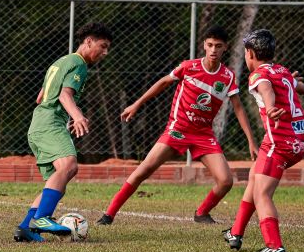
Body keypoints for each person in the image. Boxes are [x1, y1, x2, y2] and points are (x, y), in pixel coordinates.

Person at [97, 26, 258, 226]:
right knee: (143, 170)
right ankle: (109, 214)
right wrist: (136, 104)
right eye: (210, 45)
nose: (213, 50)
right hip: (178, 130)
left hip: (202, 135)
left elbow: (239, 108)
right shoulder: (189, 67)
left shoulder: (228, 76)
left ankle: (201, 213)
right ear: (204, 46)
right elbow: (163, 82)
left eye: (218, 46)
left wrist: (251, 141)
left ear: (225, 48)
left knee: (226, 181)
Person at [14, 22, 113, 242]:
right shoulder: (79, 64)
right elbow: (64, 95)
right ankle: (42, 218)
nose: (105, 52)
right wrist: (77, 116)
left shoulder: (60, 62)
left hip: (40, 124)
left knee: (58, 183)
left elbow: (41, 96)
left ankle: (25, 228)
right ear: (88, 41)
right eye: (102, 46)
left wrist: (64, 117)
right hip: (49, 123)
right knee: (69, 165)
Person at [222, 29, 304, 252]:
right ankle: (235, 233)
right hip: (298, 141)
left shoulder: (257, 75)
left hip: (279, 142)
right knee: (254, 178)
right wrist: (293, 82)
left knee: (262, 193)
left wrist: (270, 107)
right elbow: (302, 88)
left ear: (250, 53)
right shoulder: (282, 70)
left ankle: (274, 246)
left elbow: (267, 90)